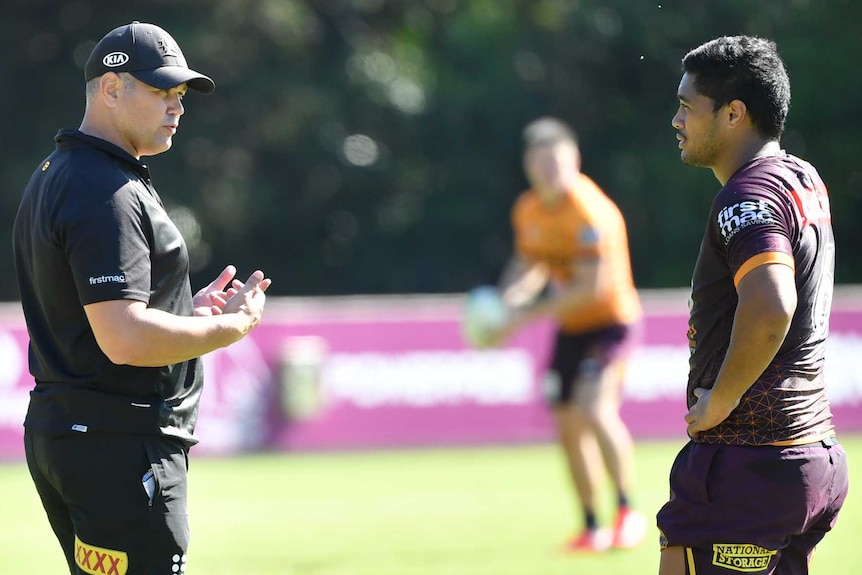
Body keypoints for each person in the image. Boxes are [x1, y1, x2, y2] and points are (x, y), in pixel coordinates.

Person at [12, 22, 272, 575]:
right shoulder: (104, 187)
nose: (176, 106)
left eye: (179, 95)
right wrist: (232, 329)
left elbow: (95, 319)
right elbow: (124, 338)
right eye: (160, 91)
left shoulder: (59, 171)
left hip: (74, 434)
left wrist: (185, 311)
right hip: (119, 446)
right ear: (110, 88)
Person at [657, 36, 849, 575]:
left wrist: (721, 398)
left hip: (749, 463)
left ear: (734, 113)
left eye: (686, 107)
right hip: (811, 458)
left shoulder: (746, 196)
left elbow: (772, 306)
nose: (676, 120)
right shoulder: (801, 177)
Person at [484, 117, 646, 552]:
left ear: (574, 161)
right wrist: (505, 301)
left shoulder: (590, 210)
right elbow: (528, 264)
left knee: (595, 408)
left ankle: (629, 512)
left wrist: (520, 318)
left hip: (612, 323)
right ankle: (592, 525)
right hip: (571, 328)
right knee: (567, 424)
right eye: (540, 163)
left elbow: (587, 290)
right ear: (528, 166)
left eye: (556, 162)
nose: (548, 171)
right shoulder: (529, 209)